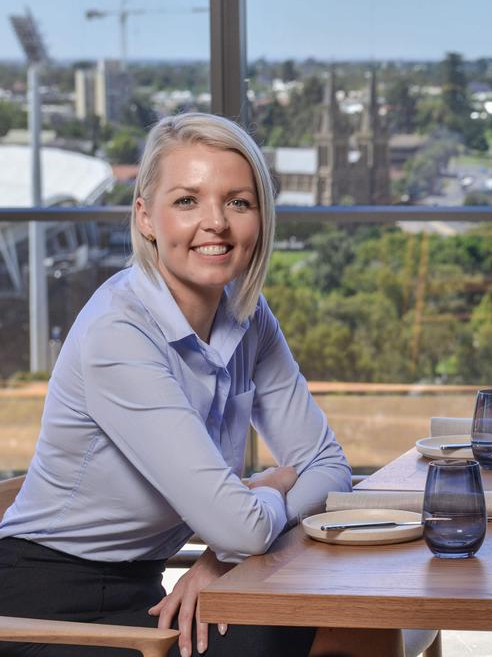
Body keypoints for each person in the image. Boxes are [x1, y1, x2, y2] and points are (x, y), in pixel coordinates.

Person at [0, 113, 352, 657]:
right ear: (145, 217)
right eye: (187, 201)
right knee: (276, 635)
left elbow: (329, 467)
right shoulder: (119, 335)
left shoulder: (249, 317)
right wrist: (264, 494)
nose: (216, 222)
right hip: (40, 608)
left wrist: (222, 554)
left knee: (312, 617)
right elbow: (245, 524)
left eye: (238, 202)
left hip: (143, 594)